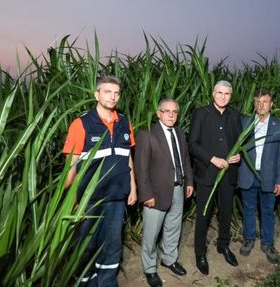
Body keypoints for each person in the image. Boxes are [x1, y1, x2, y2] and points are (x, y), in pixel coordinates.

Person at [63, 76, 137, 286]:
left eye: (116, 93)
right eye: (107, 92)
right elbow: (70, 167)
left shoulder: (124, 122)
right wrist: (71, 201)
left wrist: (133, 186)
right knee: (85, 247)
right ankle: (86, 283)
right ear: (97, 94)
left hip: (116, 198)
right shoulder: (81, 123)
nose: (112, 97)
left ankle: (107, 282)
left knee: (112, 246)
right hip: (89, 200)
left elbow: (127, 157)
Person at [134, 99, 194, 287]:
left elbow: (185, 159)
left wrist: (189, 182)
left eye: (174, 112)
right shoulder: (147, 134)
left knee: (173, 227)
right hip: (156, 193)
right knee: (151, 235)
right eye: (166, 111)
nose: (170, 115)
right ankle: (150, 269)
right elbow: (141, 168)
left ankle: (169, 259)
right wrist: (146, 194)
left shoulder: (179, 133)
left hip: (178, 189)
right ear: (158, 113)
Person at [189, 80, 242, 275]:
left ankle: (223, 246)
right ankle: (200, 252)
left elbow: (240, 141)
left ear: (231, 96)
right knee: (203, 215)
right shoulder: (201, 114)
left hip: (229, 175)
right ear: (213, 94)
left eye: (227, 94)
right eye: (219, 93)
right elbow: (192, 144)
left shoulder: (235, 116)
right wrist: (212, 159)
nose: (222, 96)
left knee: (226, 213)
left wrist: (239, 155)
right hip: (206, 175)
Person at [238, 90, 280, 264]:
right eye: (258, 101)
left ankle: (267, 244)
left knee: (267, 211)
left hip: (269, 177)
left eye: (265, 101)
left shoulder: (279, 126)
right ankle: (249, 239)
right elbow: (236, 147)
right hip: (247, 175)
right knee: (248, 209)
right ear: (254, 104)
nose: (261, 105)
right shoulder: (245, 123)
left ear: (271, 104)